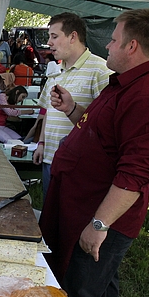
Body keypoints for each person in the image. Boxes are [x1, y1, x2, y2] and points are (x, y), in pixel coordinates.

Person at [39, 9, 149, 297]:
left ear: (132, 46)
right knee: (99, 288)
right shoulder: (123, 85)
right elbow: (97, 133)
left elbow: (135, 174)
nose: (107, 46)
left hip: (100, 217)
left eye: (114, 39)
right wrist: (73, 109)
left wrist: (99, 224)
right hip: (83, 207)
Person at [33, 12, 112, 201]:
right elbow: (47, 113)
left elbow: (106, 123)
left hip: (78, 165)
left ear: (73, 37)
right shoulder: (56, 71)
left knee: (71, 221)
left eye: (54, 36)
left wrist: (72, 107)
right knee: (49, 218)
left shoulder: (100, 71)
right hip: (50, 159)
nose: (49, 43)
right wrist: (41, 143)